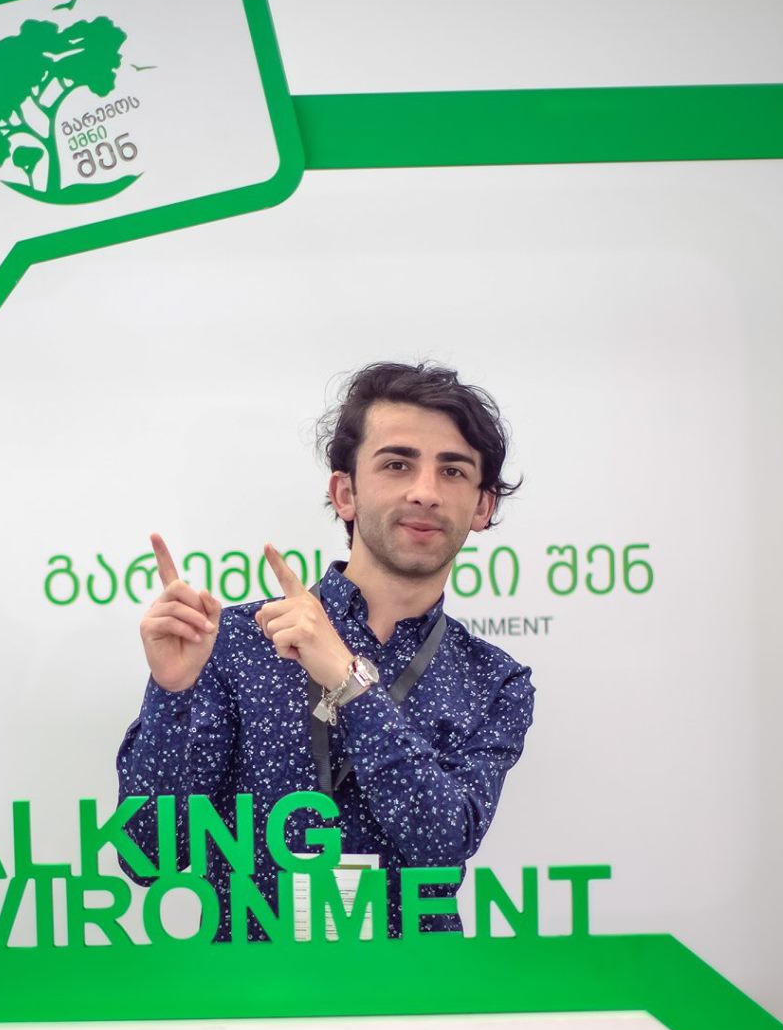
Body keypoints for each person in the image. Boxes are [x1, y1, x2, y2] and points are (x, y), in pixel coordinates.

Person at [114, 361, 537, 941]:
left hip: (421, 987)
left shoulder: (493, 680)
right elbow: (145, 857)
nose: (425, 491)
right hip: (255, 985)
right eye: (397, 464)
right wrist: (172, 695)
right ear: (345, 493)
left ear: (482, 507)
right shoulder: (236, 639)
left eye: (453, 471)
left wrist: (348, 678)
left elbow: (441, 843)